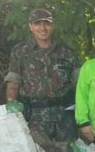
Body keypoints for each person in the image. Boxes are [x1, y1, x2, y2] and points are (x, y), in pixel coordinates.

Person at [5, 9, 79, 141]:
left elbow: (80, 84)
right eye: (38, 24)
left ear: (53, 26)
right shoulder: (20, 51)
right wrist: (11, 104)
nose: (43, 28)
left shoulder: (67, 51)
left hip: (64, 117)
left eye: (47, 23)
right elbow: (13, 82)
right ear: (30, 26)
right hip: (34, 117)